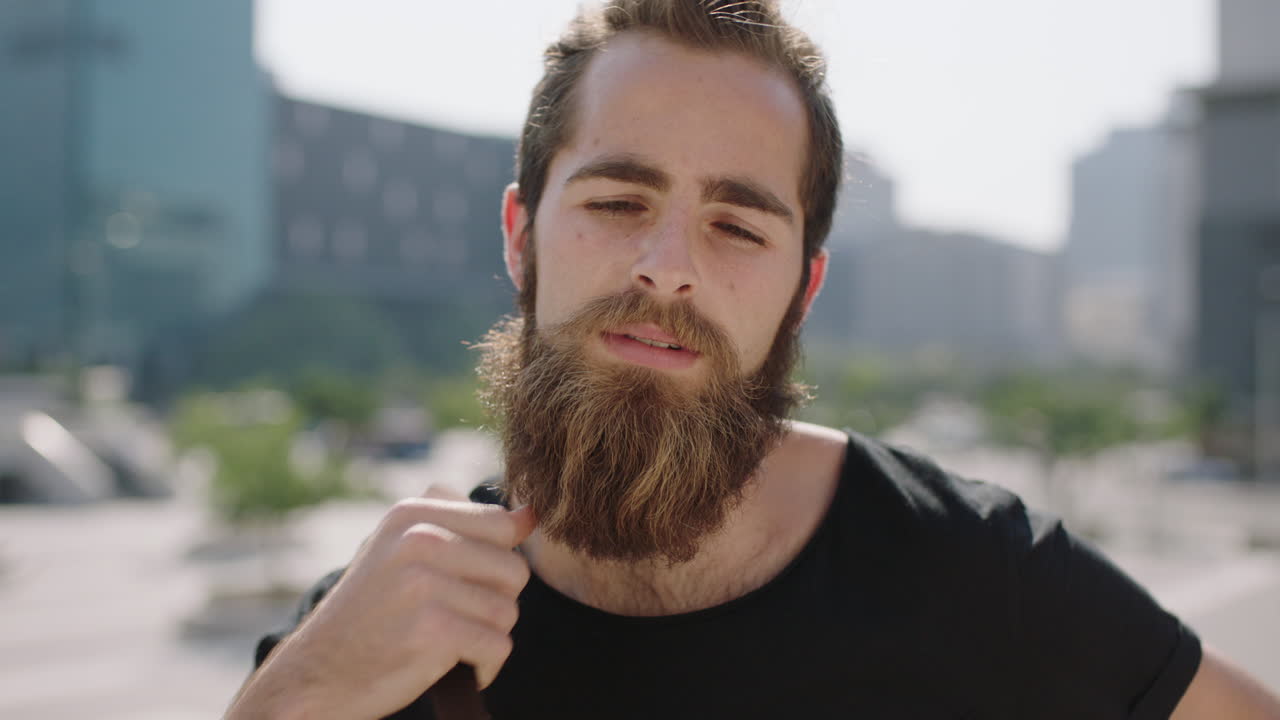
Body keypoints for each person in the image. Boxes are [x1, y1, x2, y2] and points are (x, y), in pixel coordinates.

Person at [226, 1, 1280, 718]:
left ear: (801, 291)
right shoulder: (375, 629)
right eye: (616, 201)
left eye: (737, 226)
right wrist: (294, 696)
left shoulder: (970, 567)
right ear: (519, 234)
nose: (666, 267)